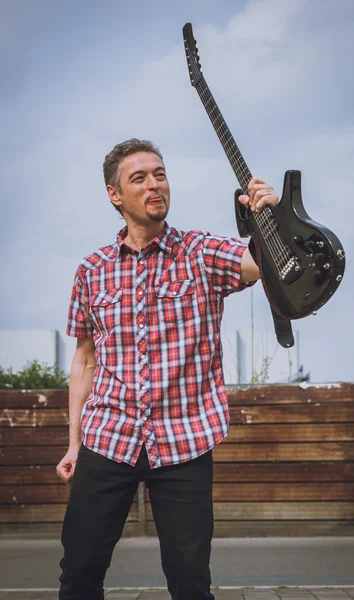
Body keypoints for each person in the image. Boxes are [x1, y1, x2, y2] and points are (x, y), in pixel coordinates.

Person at [56, 138, 279, 600]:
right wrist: (74, 444)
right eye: (139, 178)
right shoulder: (91, 270)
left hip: (184, 442)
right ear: (115, 195)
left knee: (191, 582)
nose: (154, 184)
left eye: (159, 174)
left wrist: (272, 220)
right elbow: (83, 361)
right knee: (78, 573)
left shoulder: (200, 253)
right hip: (108, 437)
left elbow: (262, 263)